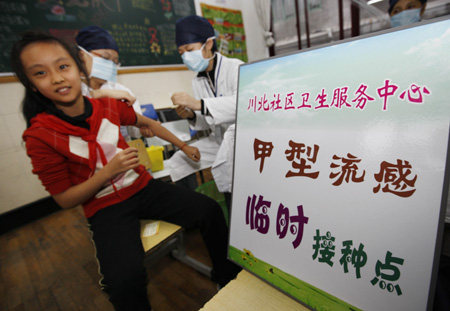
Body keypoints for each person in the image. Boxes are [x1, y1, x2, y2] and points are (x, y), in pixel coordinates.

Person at [11, 31, 240, 311]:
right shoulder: (41, 136)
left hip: (143, 188)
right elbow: (65, 199)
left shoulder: (107, 106)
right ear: (31, 85)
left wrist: (181, 145)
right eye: (40, 73)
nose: (57, 78)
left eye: (62, 66)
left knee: (209, 211)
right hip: (105, 206)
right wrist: (108, 173)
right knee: (124, 282)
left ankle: (226, 276)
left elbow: (149, 124)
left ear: (78, 67)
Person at [169, 15, 243, 207]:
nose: (185, 56)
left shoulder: (236, 68)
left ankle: (232, 214)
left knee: (228, 176)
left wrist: (198, 104)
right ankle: (193, 209)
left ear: (208, 43)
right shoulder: (197, 80)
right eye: (181, 51)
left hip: (242, 142)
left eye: (189, 49)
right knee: (179, 160)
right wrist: (192, 115)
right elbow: (207, 122)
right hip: (218, 139)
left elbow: (242, 105)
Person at [75, 25, 142, 140]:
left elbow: (135, 130)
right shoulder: (71, 89)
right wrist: (99, 94)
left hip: (121, 154)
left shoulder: (121, 90)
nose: (110, 65)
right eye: (105, 58)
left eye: (115, 62)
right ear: (82, 55)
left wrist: (143, 128)